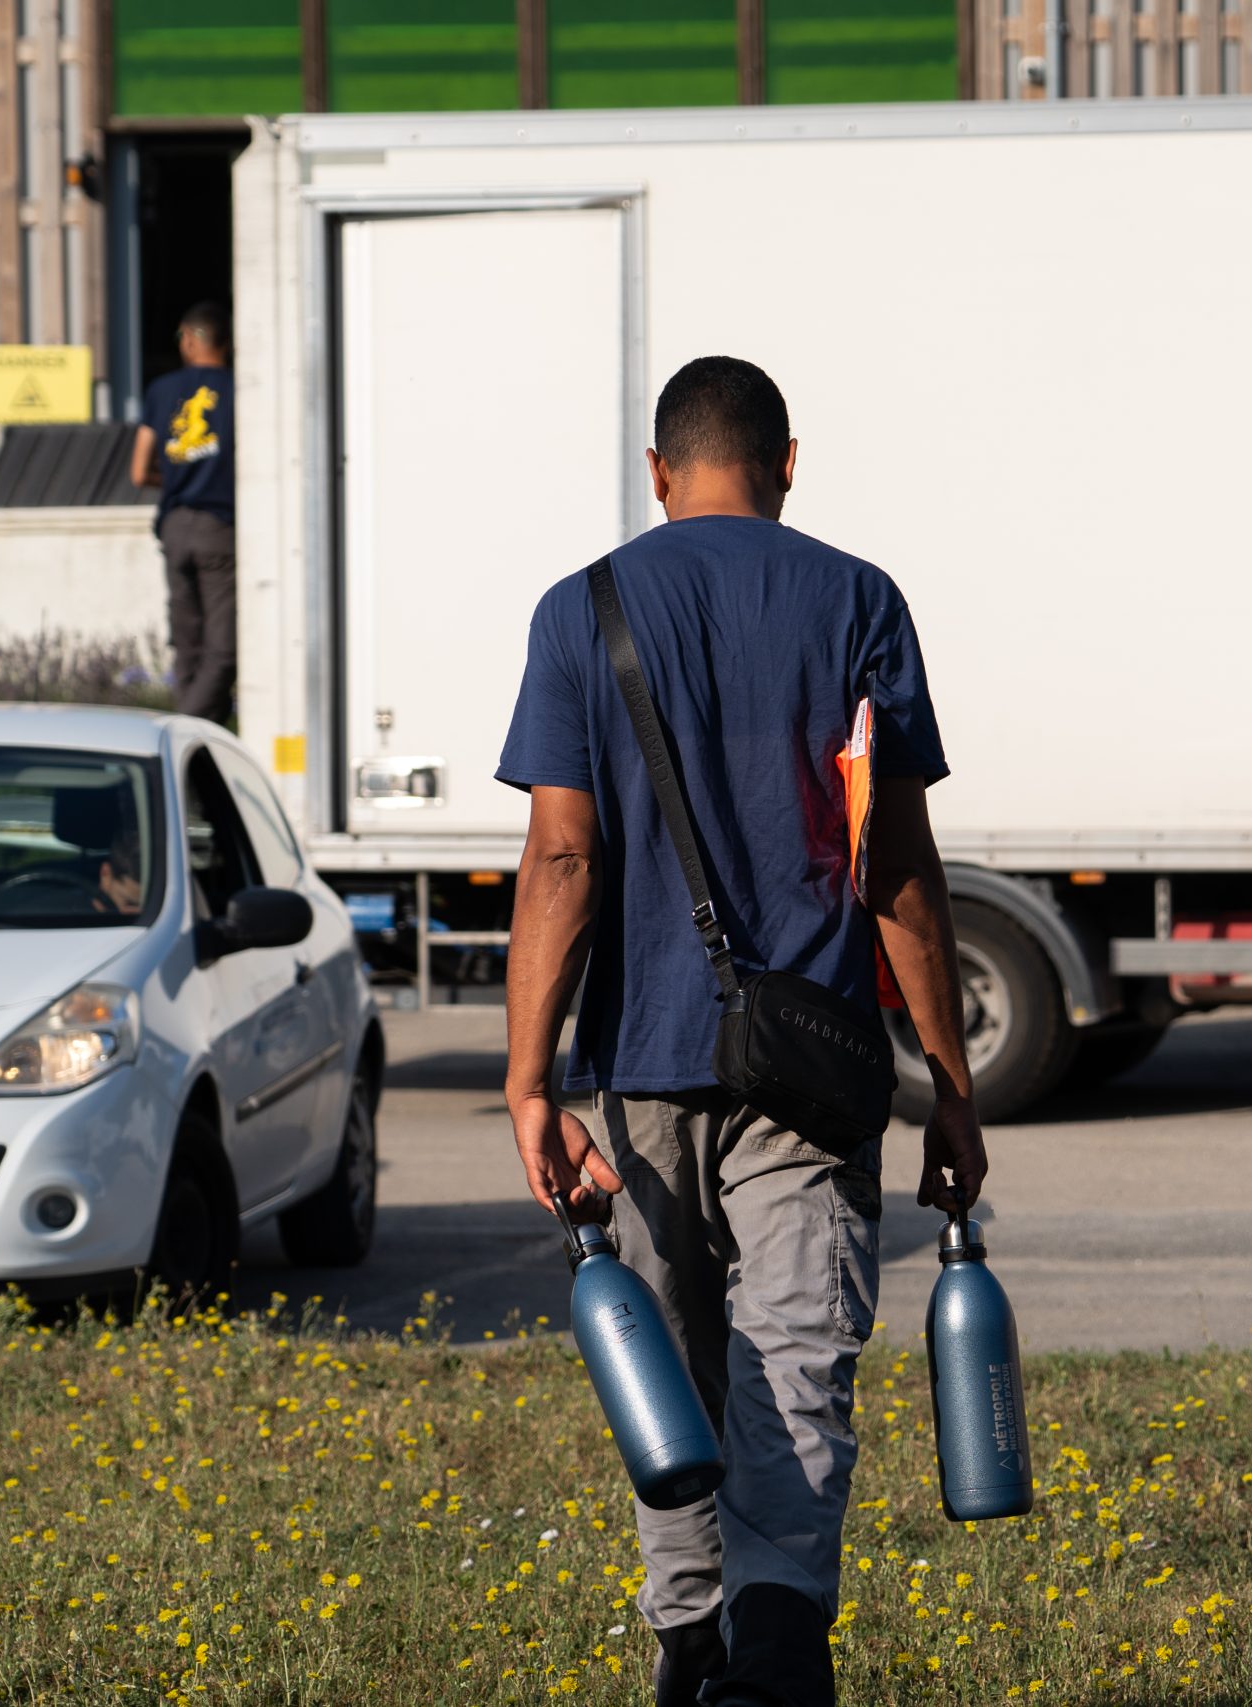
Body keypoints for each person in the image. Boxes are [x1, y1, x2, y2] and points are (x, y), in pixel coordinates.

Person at [497, 356, 988, 1707]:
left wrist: (530, 1081)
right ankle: (775, 1652)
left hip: (640, 1067)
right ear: (786, 463)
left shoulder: (580, 608)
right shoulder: (859, 601)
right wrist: (950, 1085)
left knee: (670, 1372)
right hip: (809, 1070)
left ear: (660, 471)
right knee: (796, 1361)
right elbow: (898, 869)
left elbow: (561, 857)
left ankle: (692, 1645)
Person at [131, 302, 237, 723]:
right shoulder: (240, 389)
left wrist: (175, 479)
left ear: (190, 339)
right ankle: (187, 730)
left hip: (174, 526)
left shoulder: (161, 390)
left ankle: (191, 736)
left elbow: (139, 471)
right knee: (223, 648)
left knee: (188, 644)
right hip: (219, 527)